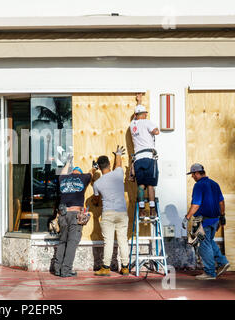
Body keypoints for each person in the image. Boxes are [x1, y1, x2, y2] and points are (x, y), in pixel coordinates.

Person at [182, 163, 229, 280]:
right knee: (209, 241)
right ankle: (222, 262)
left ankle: (209, 272)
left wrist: (187, 217)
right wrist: (222, 216)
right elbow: (221, 202)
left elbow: (196, 204)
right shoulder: (214, 184)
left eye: (193, 174)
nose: (192, 177)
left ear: (197, 173)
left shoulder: (199, 185)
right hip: (215, 220)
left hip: (204, 221)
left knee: (203, 245)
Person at [54, 156, 94, 277]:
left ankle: (57, 269)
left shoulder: (64, 178)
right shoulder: (83, 177)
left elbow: (62, 173)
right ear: (79, 173)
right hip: (75, 215)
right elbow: (91, 174)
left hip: (63, 214)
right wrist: (94, 167)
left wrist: (68, 163)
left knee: (62, 242)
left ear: (71, 172)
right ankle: (66, 270)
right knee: (72, 243)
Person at [93, 146, 130, 276]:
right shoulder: (118, 174)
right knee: (122, 240)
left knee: (108, 241)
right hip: (122, 213)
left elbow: (96, 200)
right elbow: (119, 163)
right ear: (109, 164)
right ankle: (125, 267)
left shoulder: (97, 183)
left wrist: (93, 173)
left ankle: (106, 267)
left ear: (98, 167)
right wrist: (118, 154)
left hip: (108, 213)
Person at [130, 93, 160, 217]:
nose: (146, 115)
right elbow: (156, 132)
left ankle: (142, 211)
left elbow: (137, 114)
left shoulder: (132, 125)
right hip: (149, 157)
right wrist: (154, 130)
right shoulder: (147, 122)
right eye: (145, 113)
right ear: (143, 115)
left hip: (138, 159)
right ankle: (152, 210)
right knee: (151, 185)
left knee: (141, 186)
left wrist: (139, 101)